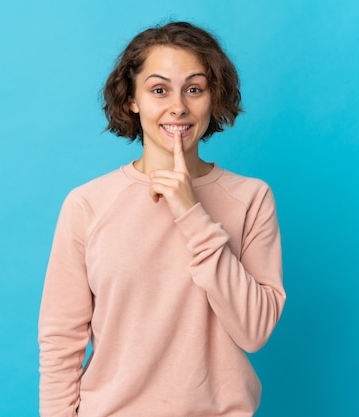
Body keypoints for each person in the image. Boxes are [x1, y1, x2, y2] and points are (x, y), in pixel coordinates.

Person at [38, 21, 286, 417]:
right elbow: (60, 343)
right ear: (132, 100)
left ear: (212, 97)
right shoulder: (87, 203)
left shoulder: (251, 198)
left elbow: (254, 331)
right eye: (159, 90)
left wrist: (191, 213)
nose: (178, 107)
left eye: (194, 89)